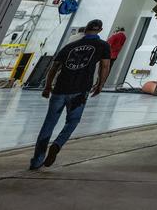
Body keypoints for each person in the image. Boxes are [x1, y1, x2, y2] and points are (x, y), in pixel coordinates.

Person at [29, 19, 111, 170]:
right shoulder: (103, 46)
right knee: (72, 121)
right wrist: (100, 84)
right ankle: (57, 144)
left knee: (48, 124)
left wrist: (47, 87)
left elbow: (53, 68)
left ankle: (36, 160)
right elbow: (105, 65)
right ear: (100, 30)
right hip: (80, 91)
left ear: (85, 30)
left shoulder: (69, 46)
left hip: (60, 89)